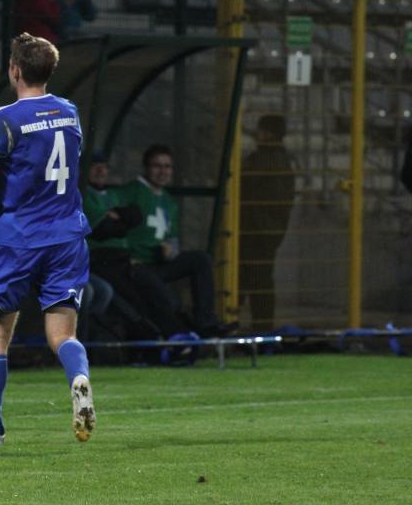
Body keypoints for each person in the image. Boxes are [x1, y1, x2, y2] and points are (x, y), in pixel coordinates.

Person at [0, 32, 96, 446]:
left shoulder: (4, 118)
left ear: (15, 70)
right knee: (63, 333)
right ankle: (78, 376)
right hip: (67, 236)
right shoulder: (69, 111)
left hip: (20, 239)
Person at [118, 144, 234, 337]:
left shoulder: (169, 202)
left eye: (167, 167)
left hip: (159, 263)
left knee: (201, 260)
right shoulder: (130, 192)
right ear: (146, 167)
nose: (163, 171)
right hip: (137, 265)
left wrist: (171, 249)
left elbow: (172, 238)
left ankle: (205, 320)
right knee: (167, 298)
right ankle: (179, 333)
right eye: (157, 166)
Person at [84, 151, 187, 341]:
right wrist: (121, 219)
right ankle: (161, 339)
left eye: (104, 166)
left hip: (125, 260)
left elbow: (134, 216)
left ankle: (181, 333)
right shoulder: (82, 194)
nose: (101, 170)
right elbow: (107, 228)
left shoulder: (111, 195)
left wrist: (121, 217)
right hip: (100, 260)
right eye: (95, 166)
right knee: (129, 297)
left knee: (163, 292)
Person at [239, 114, 295, 333]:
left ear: (267, 133)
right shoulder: (279, 159)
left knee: (251, 281)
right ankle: (261, 330)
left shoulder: (265, 159)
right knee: (259, 281)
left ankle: (251, 329)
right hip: (266, 232)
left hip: (255, 231)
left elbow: (244, 184)